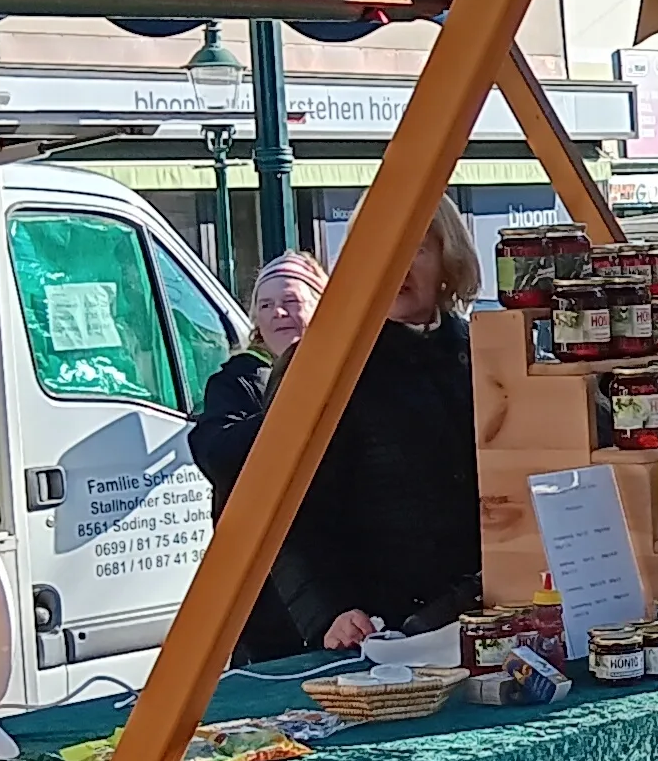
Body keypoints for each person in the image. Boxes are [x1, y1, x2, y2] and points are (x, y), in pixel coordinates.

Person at [214, 205, 487, 651]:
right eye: (379, 249)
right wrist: (329, 613)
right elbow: (285, 510)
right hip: (370, 633)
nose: (396, 264)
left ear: (448, 259)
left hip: (479, 619)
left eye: (415, 249)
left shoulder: (484, 353)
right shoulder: (321, 363)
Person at [188, 250, 334, 663]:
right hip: (266, 584)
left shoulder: (356, 370)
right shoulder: (236, 382)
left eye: (291, 301)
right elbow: (216, 454)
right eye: (266, 305)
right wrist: (291, 416)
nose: (278, 314)